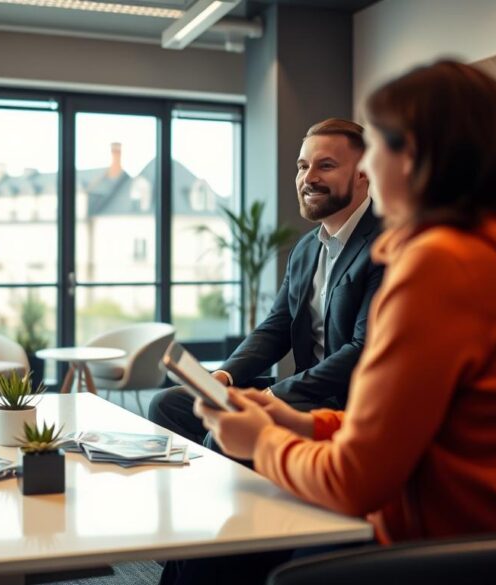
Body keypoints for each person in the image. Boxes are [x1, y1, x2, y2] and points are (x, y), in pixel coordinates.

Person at [172, 60, 496, 585]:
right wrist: (299, 423)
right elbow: (413, 427)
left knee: (227, 550)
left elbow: (355, 481)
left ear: (418, 159)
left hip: (462, 553)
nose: (368, 164)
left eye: (378, 148)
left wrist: (260, 441)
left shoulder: (439, 266)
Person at [150, 118, 385, 445]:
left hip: (344, 403)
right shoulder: (305, 249)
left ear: (363, 173)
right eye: (302, 166)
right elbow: (276, 327)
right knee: (168, 405)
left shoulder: (384, 246)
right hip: (300, 394)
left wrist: (272, 396)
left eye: (325, 166)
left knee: (221, 436)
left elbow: (361, 352)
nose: (309, 178)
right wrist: (223, 377)